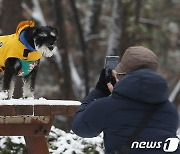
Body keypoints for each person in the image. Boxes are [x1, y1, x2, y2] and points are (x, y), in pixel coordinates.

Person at [72, 46, 180, 154]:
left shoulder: (107, 107)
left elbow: (80, 128)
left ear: (121, 75)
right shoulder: (170, 110)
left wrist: (99, 91)